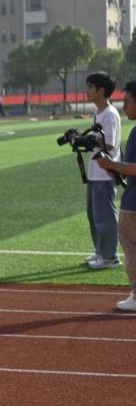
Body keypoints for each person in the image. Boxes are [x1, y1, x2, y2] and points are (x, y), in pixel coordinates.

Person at [95, 79, 136, 310]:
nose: (124, 106)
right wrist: (116, 170)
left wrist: (112, 165)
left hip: (133, 204)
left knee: (132, 250)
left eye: (127, 101)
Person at [83, 72, 122, 270]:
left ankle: (110, 257)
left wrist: (91, 140)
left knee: (105, 216)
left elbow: (111, 145)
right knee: (94, 215)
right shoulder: (98, 113)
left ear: (101, 90)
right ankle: (100, 251)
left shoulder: (110, 114)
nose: (88, 90)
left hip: (105, 173)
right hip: (95, 172)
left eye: (91, 87)